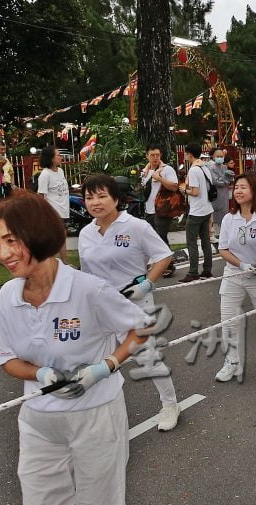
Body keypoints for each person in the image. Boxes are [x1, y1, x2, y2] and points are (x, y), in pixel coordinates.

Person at [0, 190, 150, 505]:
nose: (4, 254)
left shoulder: (88, 290)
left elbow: (141, 327)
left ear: (39, 235)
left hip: (96, 416)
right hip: (39, 419)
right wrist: (40, 373)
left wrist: (108, 365)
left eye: (12, 240)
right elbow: (6, 359)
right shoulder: (7, 297)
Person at [76, 174, 180, 431]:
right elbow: (85, 271)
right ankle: (102, 414)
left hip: (133, 304)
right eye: (90, 197)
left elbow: (164, 256)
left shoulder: (135, 226)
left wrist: (146, 284)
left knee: (147, 357)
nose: (95, 202)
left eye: (102, 196)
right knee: (99, 362)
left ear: (116, 198)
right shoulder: (86, 233)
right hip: (100, 308)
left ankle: (170, 404)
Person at [215, 173, 256, 381]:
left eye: (243, 187)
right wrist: (242, 264)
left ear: (254, 191)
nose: (238, 191)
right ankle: (232, 362)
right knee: (228, 320)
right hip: (233, 275)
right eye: (236, 187)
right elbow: (223, 249)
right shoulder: (229, 218)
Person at [178, 143, 216, 283]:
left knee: (192, 243)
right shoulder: (204, 167)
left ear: (189, 154)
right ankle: (207, 270)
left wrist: (184, 191)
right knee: (205, 241)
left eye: (186, 154)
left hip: (197, 211)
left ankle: (193, 272)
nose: (185, 156)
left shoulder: (194, 170)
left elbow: (195, 192)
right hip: (207, 209)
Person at [140, 146, 179, 278]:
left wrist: (160, 178)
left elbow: (174, 186)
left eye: (157, 155)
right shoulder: (145, 171)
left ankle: (169, 264)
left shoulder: (167, 169)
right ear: (147, 156)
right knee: (152, 238)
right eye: (152, 155)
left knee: (160, 236)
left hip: (162, 209)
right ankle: (163, 263)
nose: (155, 158)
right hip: (149, 210)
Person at [35, 146, 69, 263]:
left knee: (62, 238)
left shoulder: (61, 171)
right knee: (57, 239)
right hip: (54, 212)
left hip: (63, 210)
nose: (61, 157)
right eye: (58, 155)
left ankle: (64, 264)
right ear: (51, 159)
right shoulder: (45, 175)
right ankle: (50, 264)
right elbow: (41, 196)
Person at [208, 148, 235, 241]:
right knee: (216, 214)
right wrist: (226, 179)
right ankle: (216, 234)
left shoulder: (224, 167)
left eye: (221, 156)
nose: (219, 158)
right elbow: (216, 181)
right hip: (217, 194)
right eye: (218, 156)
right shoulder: (212, 167)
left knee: (224, 213)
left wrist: (230, 177)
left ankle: (224, 234)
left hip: (225, 193)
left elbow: (228, 180)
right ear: (213, 157)